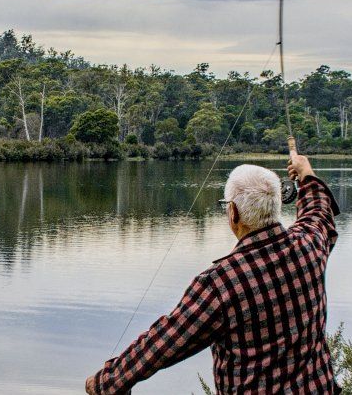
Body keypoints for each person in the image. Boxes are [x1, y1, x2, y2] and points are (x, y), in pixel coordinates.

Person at [87, 143, 339, 393]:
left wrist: (107, 382)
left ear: (233, 213)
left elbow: (165, 342)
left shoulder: (222, 283)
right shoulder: (309, 245)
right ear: (276, 206)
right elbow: (318, 211)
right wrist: (306, 172)